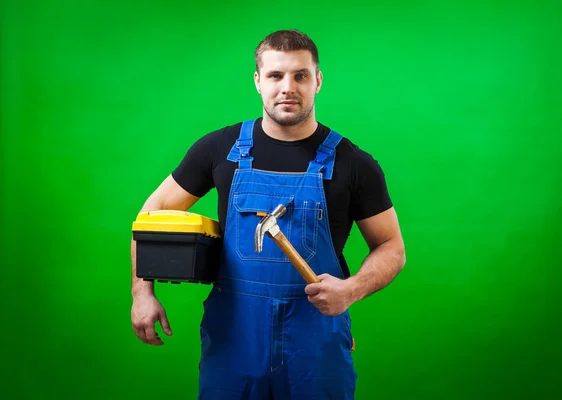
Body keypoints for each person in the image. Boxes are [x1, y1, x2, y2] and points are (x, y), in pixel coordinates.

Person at [130, 29, 406, 399]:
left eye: (300, 75)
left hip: (316, 340)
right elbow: (154, 213)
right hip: (235, 335)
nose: (287, 87)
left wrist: (351, 289)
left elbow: (391, 246)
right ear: (258, 81)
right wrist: (142, 292)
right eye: (276, 75)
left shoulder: (352, 163)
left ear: (318, 81)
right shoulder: (220, 149)